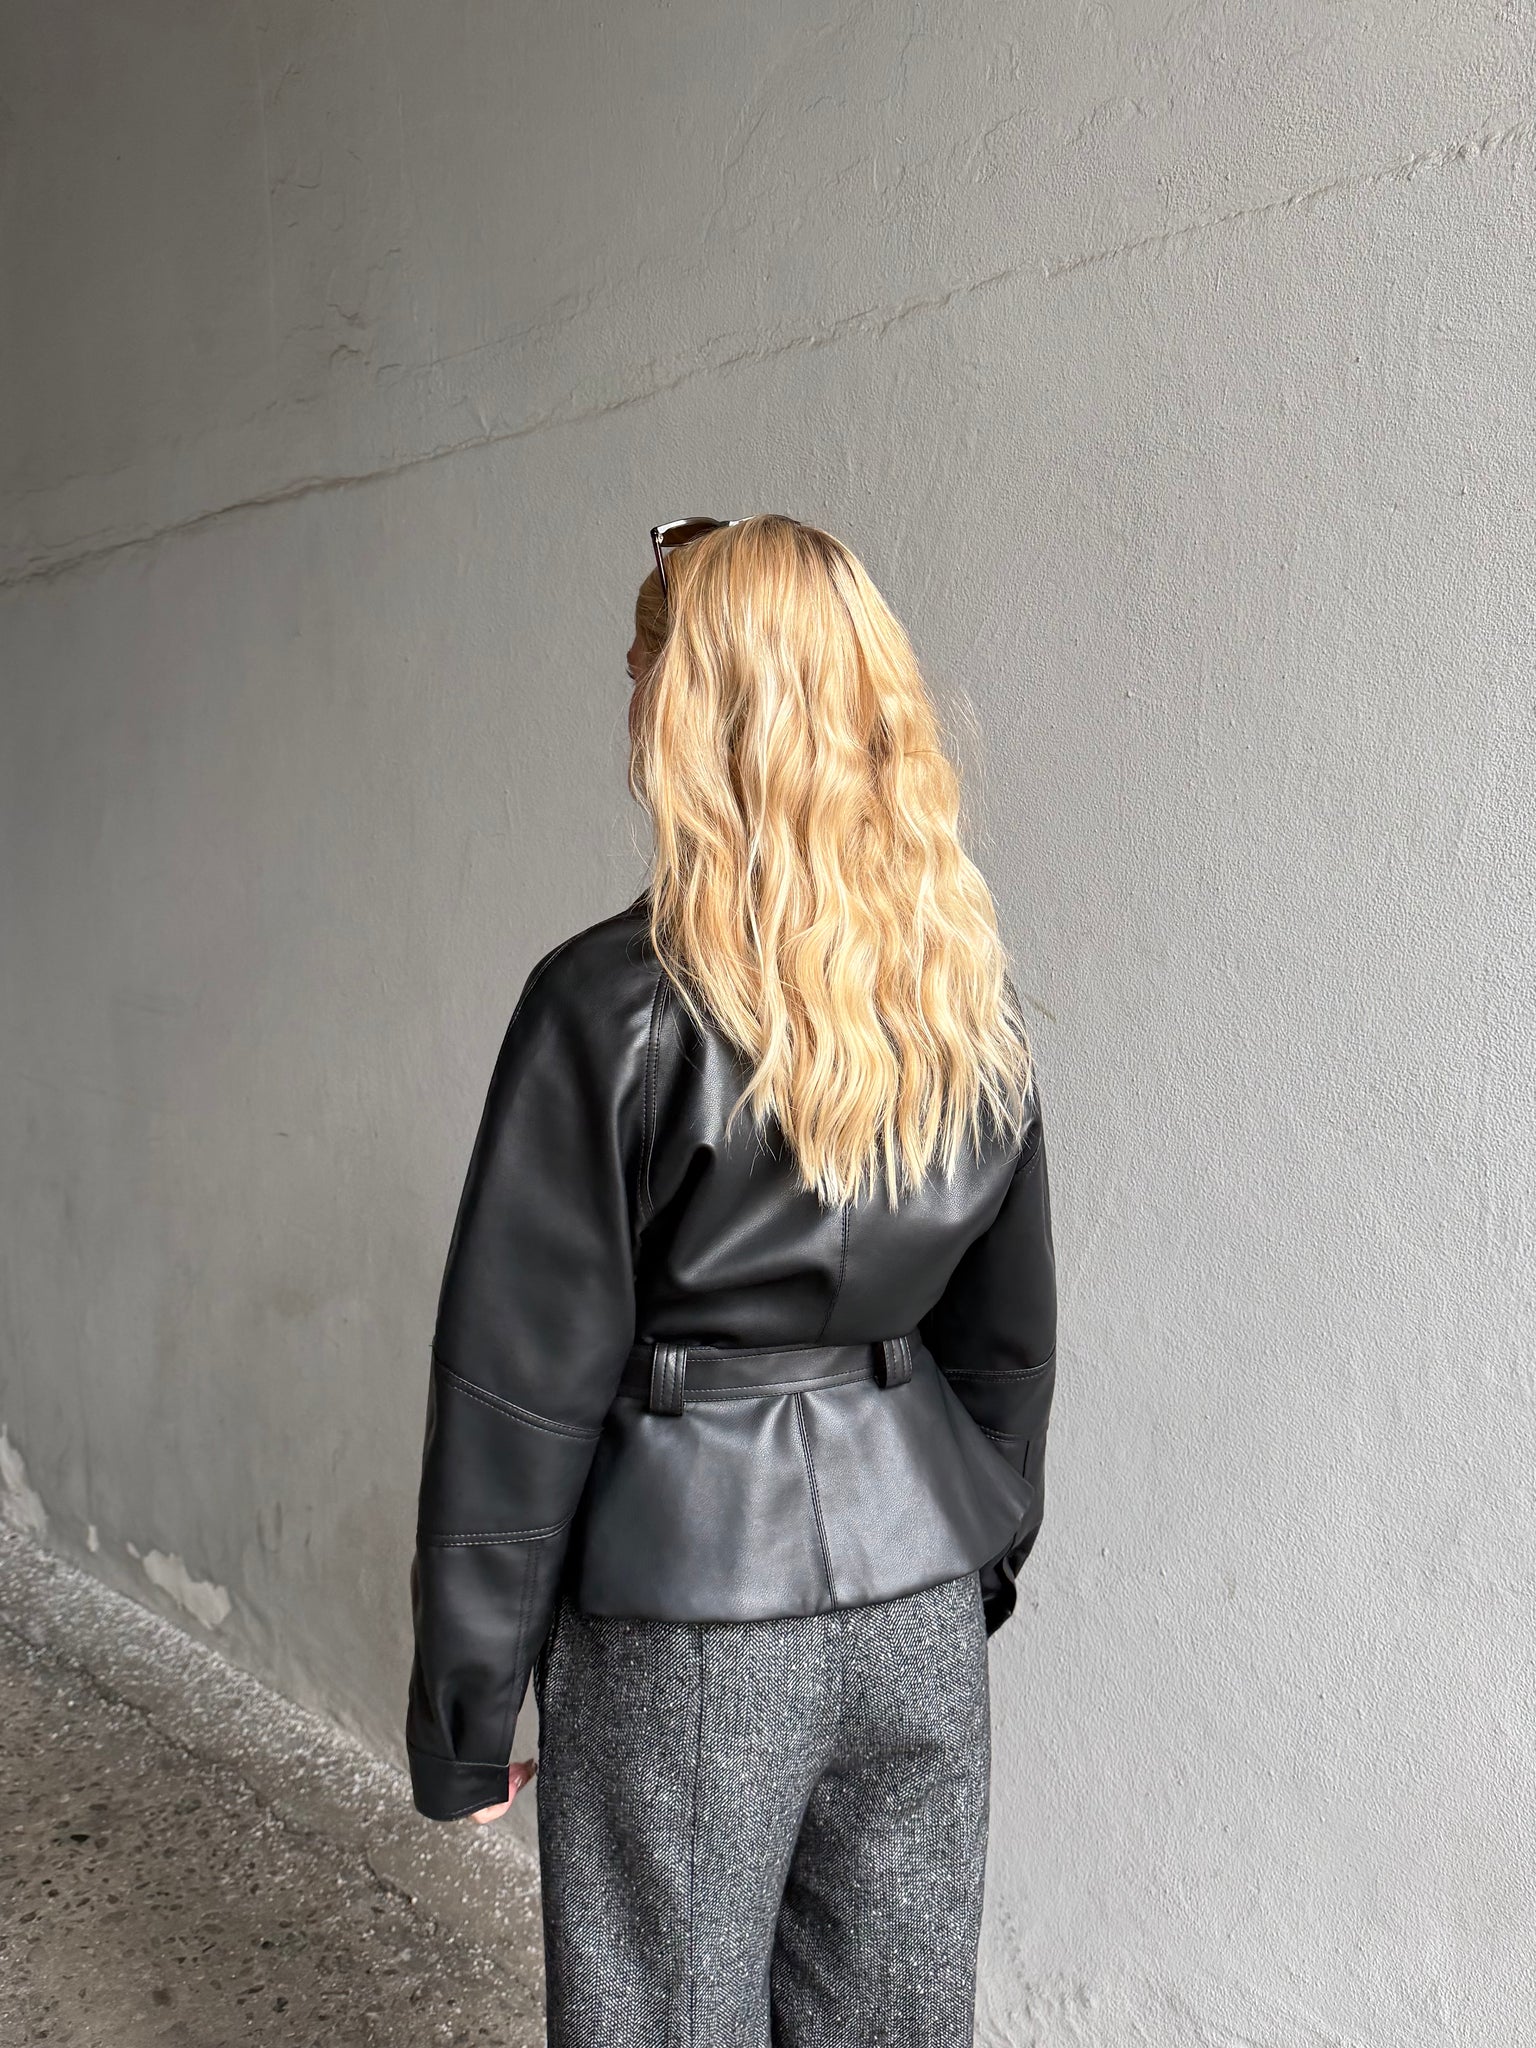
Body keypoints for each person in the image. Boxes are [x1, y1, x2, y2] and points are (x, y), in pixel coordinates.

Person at [403, 513, 1058, 2048]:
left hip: (689, 1612)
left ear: (684, 708)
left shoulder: (607, 1006)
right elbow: (1007, 1346)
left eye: (640, 672)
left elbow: (517, 1387)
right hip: (918, 1605)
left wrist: (469, 1711)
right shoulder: (960, 994)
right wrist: (969, 1558)